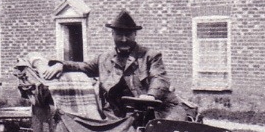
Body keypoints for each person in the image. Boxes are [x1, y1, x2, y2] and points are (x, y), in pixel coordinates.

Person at [44, 10, 188, 121]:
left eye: (128, 34)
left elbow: (159, 78)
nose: (124, 39)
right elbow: (83, 67)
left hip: (156, 113)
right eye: (119, 34)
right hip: (120, 117)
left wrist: (150, 96)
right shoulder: (104, 58)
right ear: (112, 34)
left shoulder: (150, 56)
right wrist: (61, 65)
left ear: (135, 35)